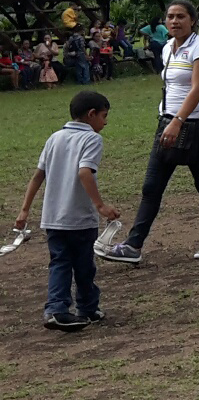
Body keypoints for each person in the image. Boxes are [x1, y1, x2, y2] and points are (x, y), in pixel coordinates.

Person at [101, 1, 199, 264]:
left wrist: (178, 120)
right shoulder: (168, 47)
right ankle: (133, 246)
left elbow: (197, 88)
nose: (174, 21)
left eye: (181, 16)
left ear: (193, 20)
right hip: (167, 122)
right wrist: (168, 118)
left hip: (195, 126)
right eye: (170, 17)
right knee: (152, 186)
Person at [14, 90, 119, 331]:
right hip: (79, 218)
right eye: (104, 116)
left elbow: (38, 175)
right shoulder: (92, 139)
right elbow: (85, 172)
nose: (105, 122)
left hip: (52, 218)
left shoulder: (55, 137)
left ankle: (56, 308)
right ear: (91, 114)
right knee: (83, 264)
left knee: (59, 262)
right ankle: (87, 307)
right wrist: (101, 206)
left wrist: (24, 210)